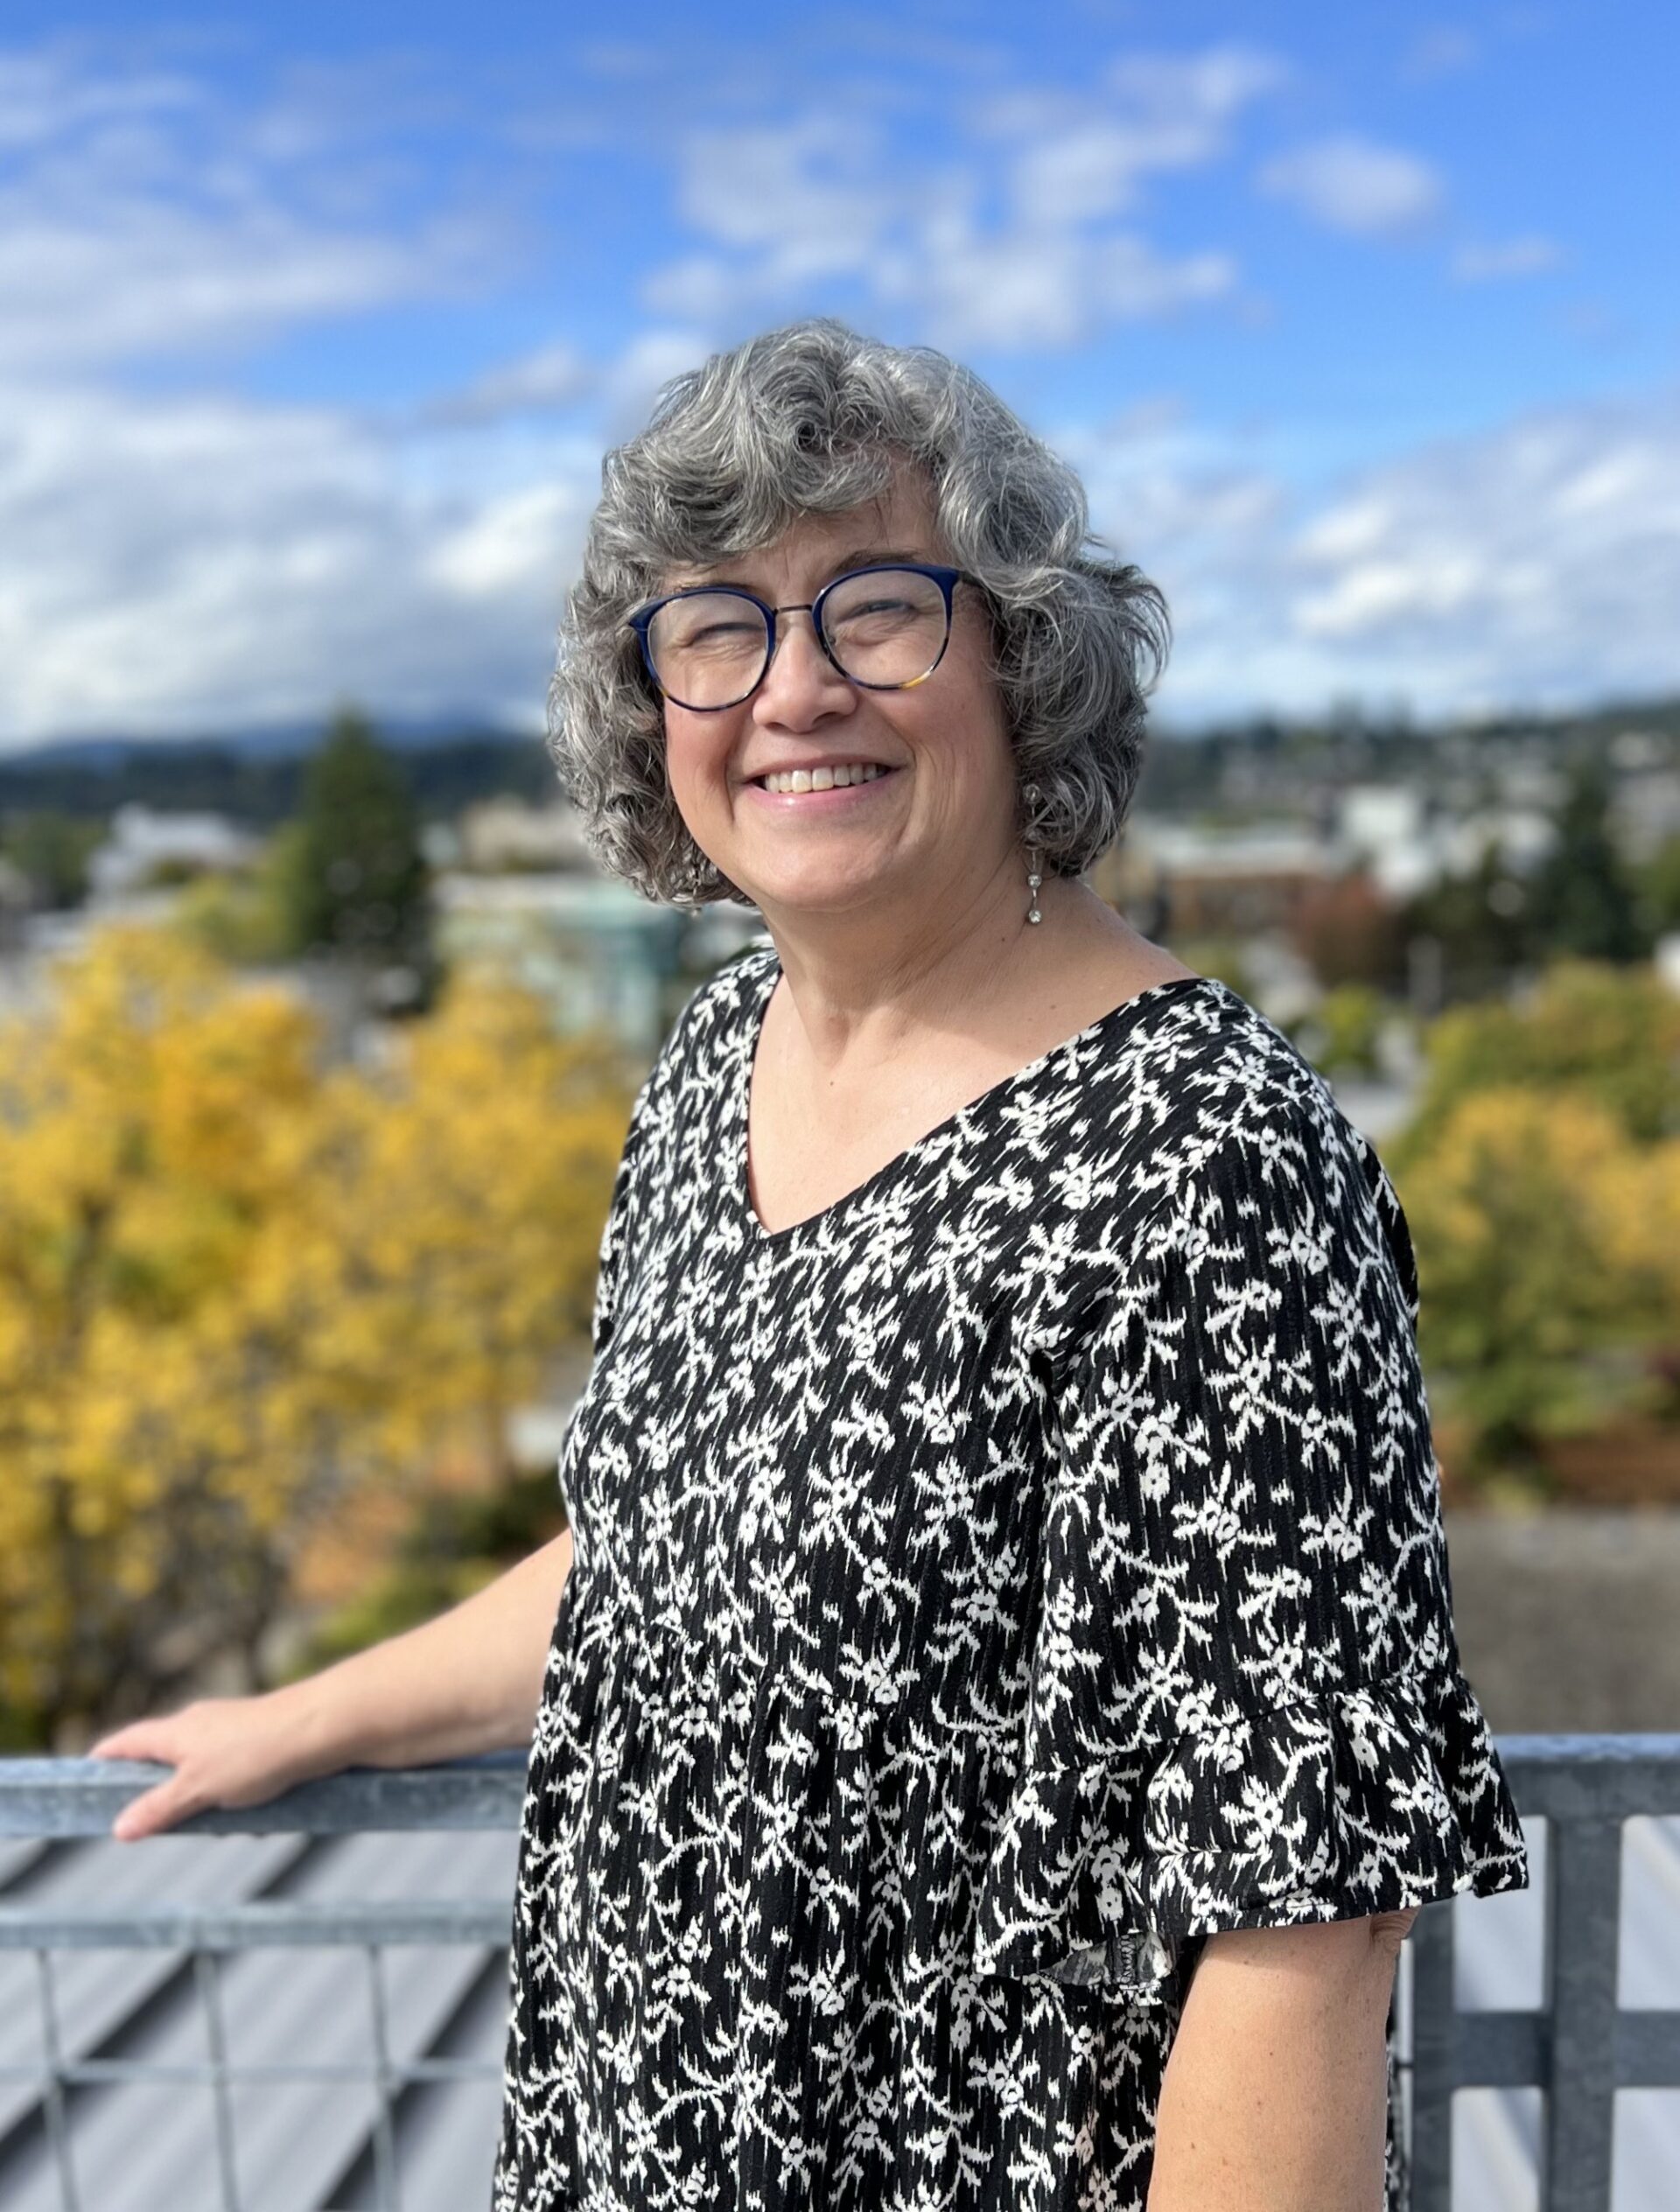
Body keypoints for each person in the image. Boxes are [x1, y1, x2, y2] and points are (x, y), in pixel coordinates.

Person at [89, 318, 1530, 2211]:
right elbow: (664, 1552)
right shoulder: (717, 1059)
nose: (795, 690)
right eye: (718, 628)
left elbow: (1307, 1920)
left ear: (1022, 660)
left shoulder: (1201, 1161)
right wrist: (301, 1718)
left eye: (879, 608)